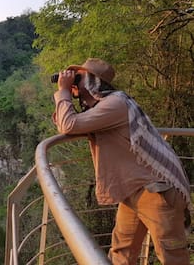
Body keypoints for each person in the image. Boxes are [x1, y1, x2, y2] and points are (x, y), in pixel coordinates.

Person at [52, 58, 191, 264]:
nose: (74, 81)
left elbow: (69, 125)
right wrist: (69, 93)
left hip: (156, 191)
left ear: (94, 82)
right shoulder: (103, 107)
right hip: (133, 190)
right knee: (121, 254)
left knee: (172, 256)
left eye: (79, 78)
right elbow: (65, 121)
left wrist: (63, 91)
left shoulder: (115, 104)